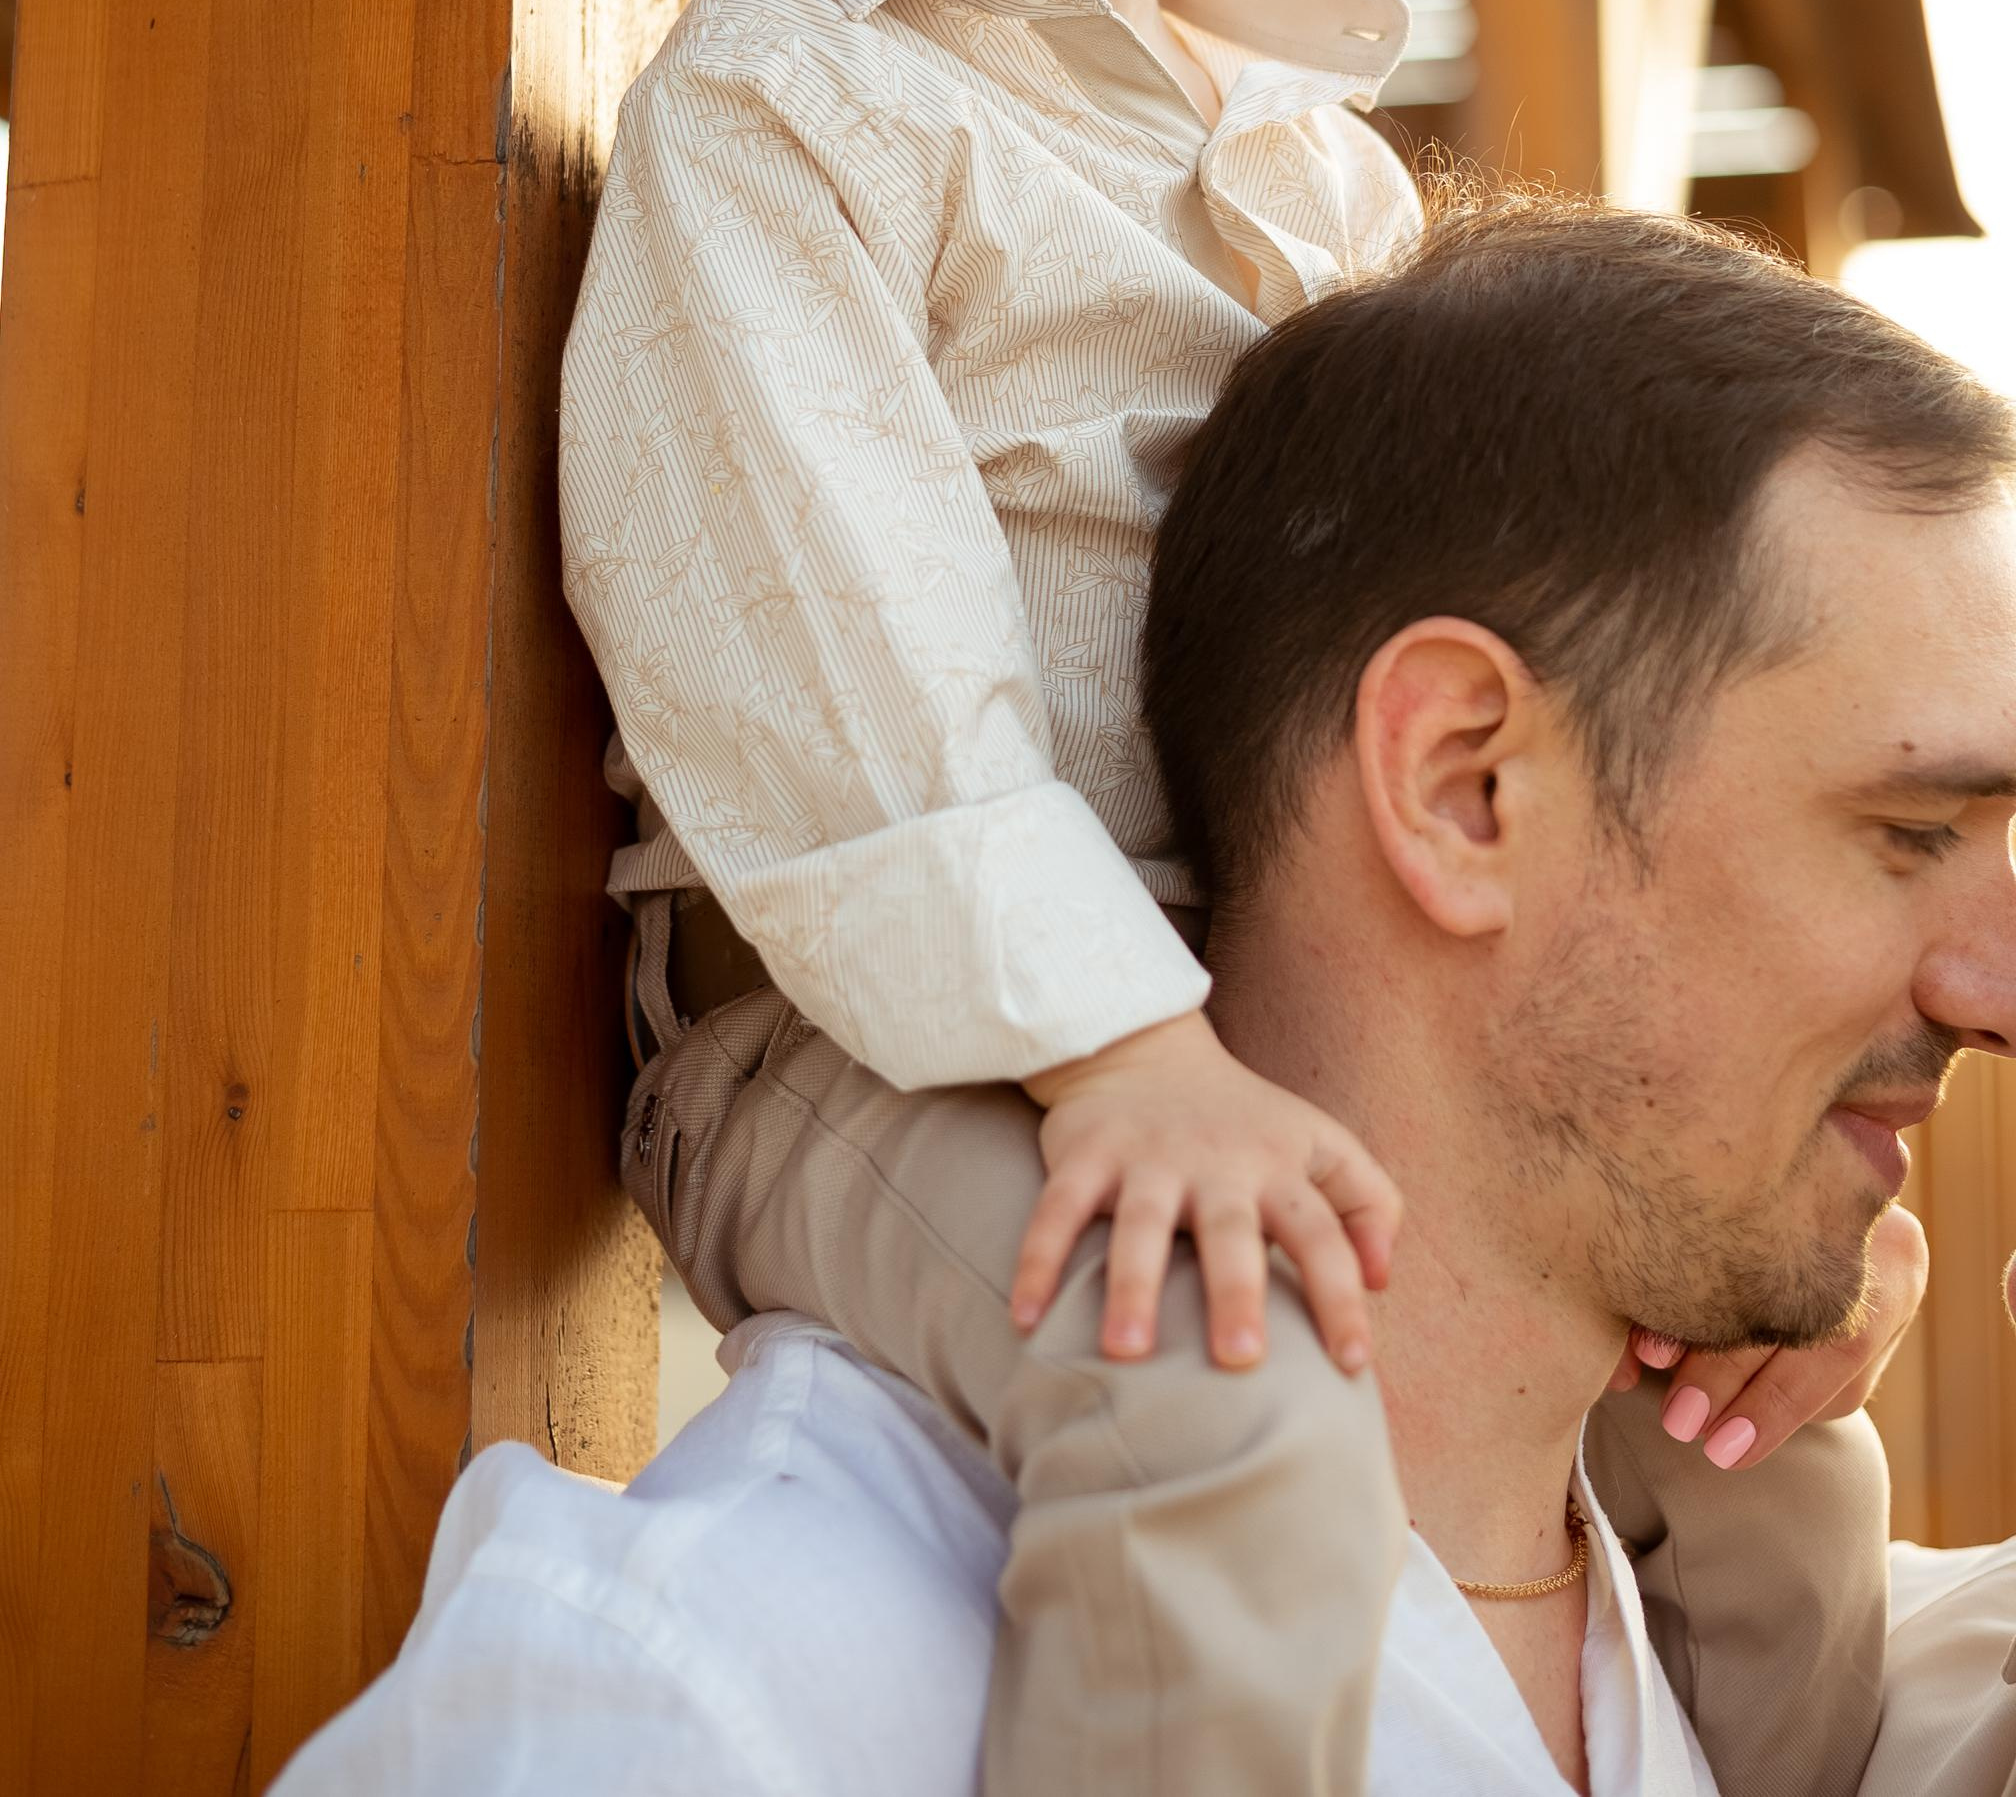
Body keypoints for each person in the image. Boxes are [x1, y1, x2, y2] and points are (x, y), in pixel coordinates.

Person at [557, 0, 1909, 1797]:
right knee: (1229, 1393)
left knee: (1767, 1454)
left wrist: (1718, 1121)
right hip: (881, 1045)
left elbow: (1515, 705)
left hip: (1289, 1025)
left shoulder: (1327, 186)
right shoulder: (787, 115)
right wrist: (1121, 1059)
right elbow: (849, 679)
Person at [285, 196, 2016, 1797]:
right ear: (1465, 789)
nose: (1998, 989)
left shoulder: (1836, 1690)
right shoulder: (709, 1702)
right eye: (1910, 828)